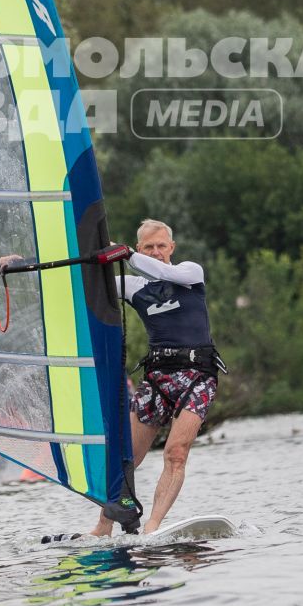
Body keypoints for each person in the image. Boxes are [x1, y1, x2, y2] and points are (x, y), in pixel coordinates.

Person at [87, 218, 220, 536]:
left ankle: (152, 528)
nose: (157, 252)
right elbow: (81, 280)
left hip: (197, 376)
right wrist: (22, 263)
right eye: (149, 246)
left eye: (162, 246)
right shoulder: (133, 287)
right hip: (157, 378)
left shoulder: (190, 273)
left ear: (171, 248)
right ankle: (102, 529)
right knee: (126, 459)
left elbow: (164, 272)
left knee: (176, 452)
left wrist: (131, 255)